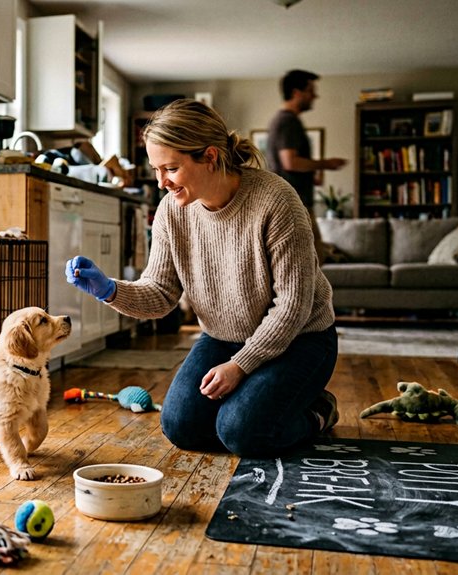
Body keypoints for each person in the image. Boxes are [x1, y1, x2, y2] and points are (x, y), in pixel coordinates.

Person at [65, 99, 339, 458]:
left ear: (209, 157)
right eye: (156, 169)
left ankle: (318, 411)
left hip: (301, 339)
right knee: (181, 426)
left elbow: (293, 306)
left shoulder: (277, 201)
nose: (161, 182)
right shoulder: (171, 212)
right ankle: (265, 399)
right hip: (223, 337)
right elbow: (160, 292)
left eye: (171, 169)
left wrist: (240, 366)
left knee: (241, 431)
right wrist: (110, 290)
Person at [266, 69, 347, 208]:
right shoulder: (288, 121)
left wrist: (309, 177)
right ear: (296, 93)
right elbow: (290, 162)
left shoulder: (283, 120)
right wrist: (326, 164)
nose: (315, 96)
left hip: (291, 203)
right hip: (293, 206)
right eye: (310, 91)